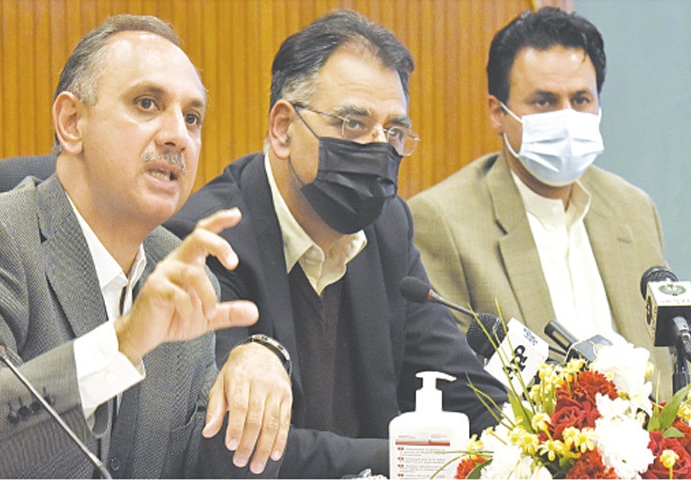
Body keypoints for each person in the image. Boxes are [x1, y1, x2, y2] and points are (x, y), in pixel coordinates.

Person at [0, 14, 292, 478]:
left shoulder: (182, 271)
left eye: (192, 118)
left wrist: (261, 359)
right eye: (147, 104)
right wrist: (123, 344)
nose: (177, 137)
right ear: (72, 123)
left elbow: (195, 461)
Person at [166, 10, 508, 478]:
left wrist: (543, 440)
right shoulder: (206, 240)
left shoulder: (387, 228)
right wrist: (411, 461)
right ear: (284, 129)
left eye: (393, 132)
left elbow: (462, 389)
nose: (378, 148)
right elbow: (237, 448)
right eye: (352, 124)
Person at [408, 7, 672, 400]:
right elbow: (458, 388)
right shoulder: (442, 221)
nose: (567, 117)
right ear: (498, 113)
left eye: (581, 99)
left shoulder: (633, 209)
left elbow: (672, 370)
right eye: (545, 102)